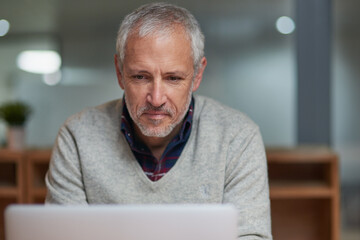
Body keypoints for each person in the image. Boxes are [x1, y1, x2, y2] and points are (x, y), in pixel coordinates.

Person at [45, 2, 272, 239]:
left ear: (197, 75)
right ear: (120, 72)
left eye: (173, 78)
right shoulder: (77, 137)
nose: (156, 98)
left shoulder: (237, 138)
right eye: (140, 76)